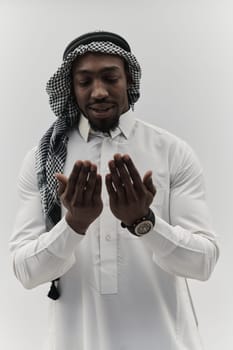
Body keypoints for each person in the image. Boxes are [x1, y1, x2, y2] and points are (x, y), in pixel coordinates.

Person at [10, 31, 219, 350]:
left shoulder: (171, 151)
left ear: (129, 81)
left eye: (110, 78)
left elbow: (203, 264)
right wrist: (73, 225)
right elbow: (26, 272)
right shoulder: (44, 160)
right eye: (84, 82)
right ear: (71, 88)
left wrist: (144, 223)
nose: (98, 92)